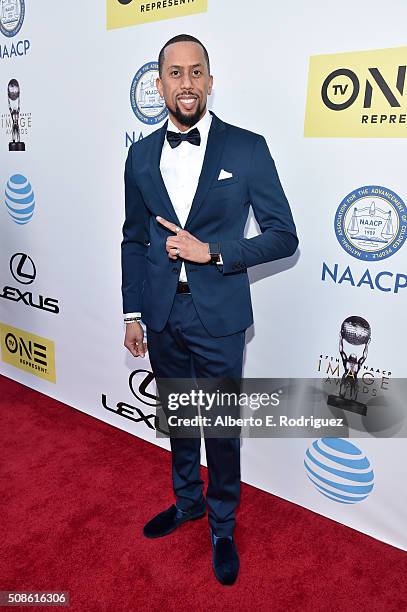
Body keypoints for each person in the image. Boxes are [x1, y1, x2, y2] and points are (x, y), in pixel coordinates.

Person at [121, 34, 298, 585]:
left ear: (210, 81)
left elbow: (283, 237)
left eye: (196, 72)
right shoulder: (141, 153)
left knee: (220, 427)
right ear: (159, 85)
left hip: (217, 316)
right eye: (175, 73)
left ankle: (222, 523)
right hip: (161, 314)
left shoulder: (247, 147)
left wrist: (213, 251)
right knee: (179, 419)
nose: (187, 83)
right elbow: (133, 237)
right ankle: (188, 502)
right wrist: (132, 313)